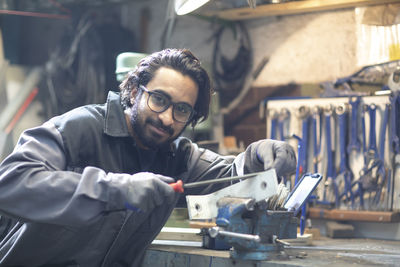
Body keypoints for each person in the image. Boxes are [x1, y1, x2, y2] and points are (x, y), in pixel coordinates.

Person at [0, 48, 296, 266]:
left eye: (181, 110)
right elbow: (11, 181)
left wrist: (257, 157)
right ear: (133, 91)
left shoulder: (177, 157)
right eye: (159, 100)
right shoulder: (79, 128)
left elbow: (231, 175)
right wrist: (116, 190)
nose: (167, 118)